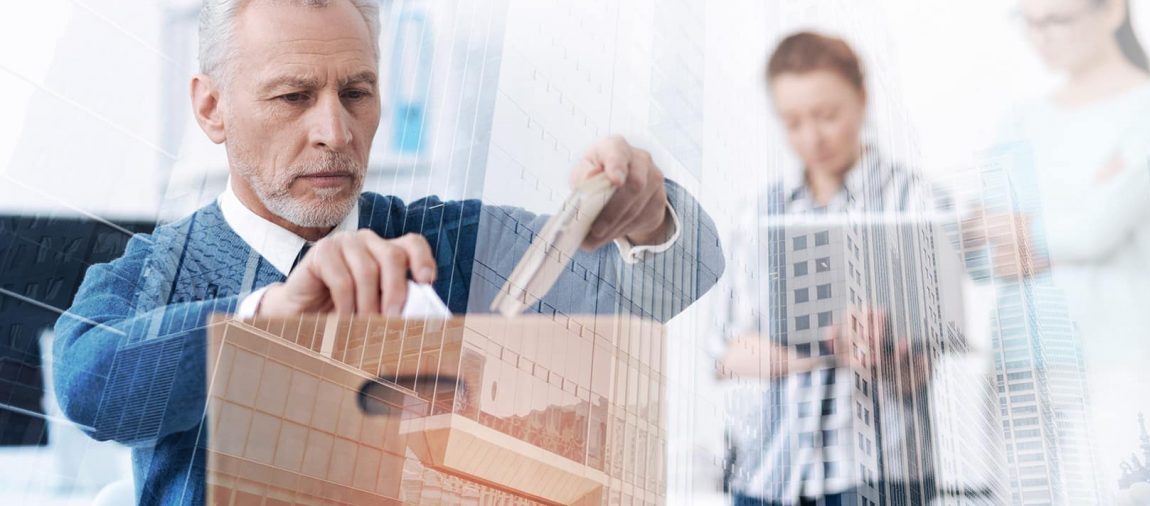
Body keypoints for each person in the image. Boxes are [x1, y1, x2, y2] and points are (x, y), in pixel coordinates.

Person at [51, 0, 724, 503]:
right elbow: (88, 384)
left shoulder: (444, 247)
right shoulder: (158, 272)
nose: (335, 131)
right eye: (293, 96)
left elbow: (677, 275)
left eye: (356, 92)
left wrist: (647, 217)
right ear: (212, 109)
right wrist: (271, 317)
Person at [965, 0, 1150, 500]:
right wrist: (1073, 218)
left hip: (1113, 358)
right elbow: (978, 254)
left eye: (1058, 19)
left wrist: (1030, 226)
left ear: (1112, 11)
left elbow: (1095, 230)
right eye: (1030, 21)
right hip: (1017, 359)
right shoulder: (1018, 118)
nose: (1042, 36)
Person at [716, 32, 941, 506]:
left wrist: (887, 350)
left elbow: (919, 368)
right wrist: (827, 348)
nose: (811, 138)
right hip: (768, 476)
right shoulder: (759, 214)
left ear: (862, 99)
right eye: (793, 122)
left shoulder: (914, 203)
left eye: (827, 116)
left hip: (879, 477)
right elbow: (728, 353)